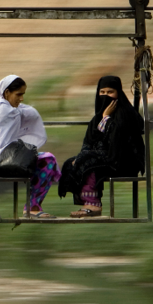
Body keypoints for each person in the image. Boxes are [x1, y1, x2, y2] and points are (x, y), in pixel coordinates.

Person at [58, 75, 145, 218]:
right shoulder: (96, 118)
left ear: (118, 93)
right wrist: (80, 157)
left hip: (123, 160)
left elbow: (117, 139)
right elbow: (89, 142)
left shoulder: (125, 114)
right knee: (73, 161)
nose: (106, 96)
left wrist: (106, 118)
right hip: (104, 157)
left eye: (110, 92)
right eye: (102, 92)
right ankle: (86, 201)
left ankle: (94, 204)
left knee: (89, 160)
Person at [0, 75, 60, 219]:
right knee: (48, 160)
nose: (21, 99)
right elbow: (23, 113)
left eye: (23, 95)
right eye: (18, 94)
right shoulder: (2, 109)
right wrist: (30, 111)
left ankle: (33, 205)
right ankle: (33, 206)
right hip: (1, 162)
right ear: (7, 92)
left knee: (40, 160)